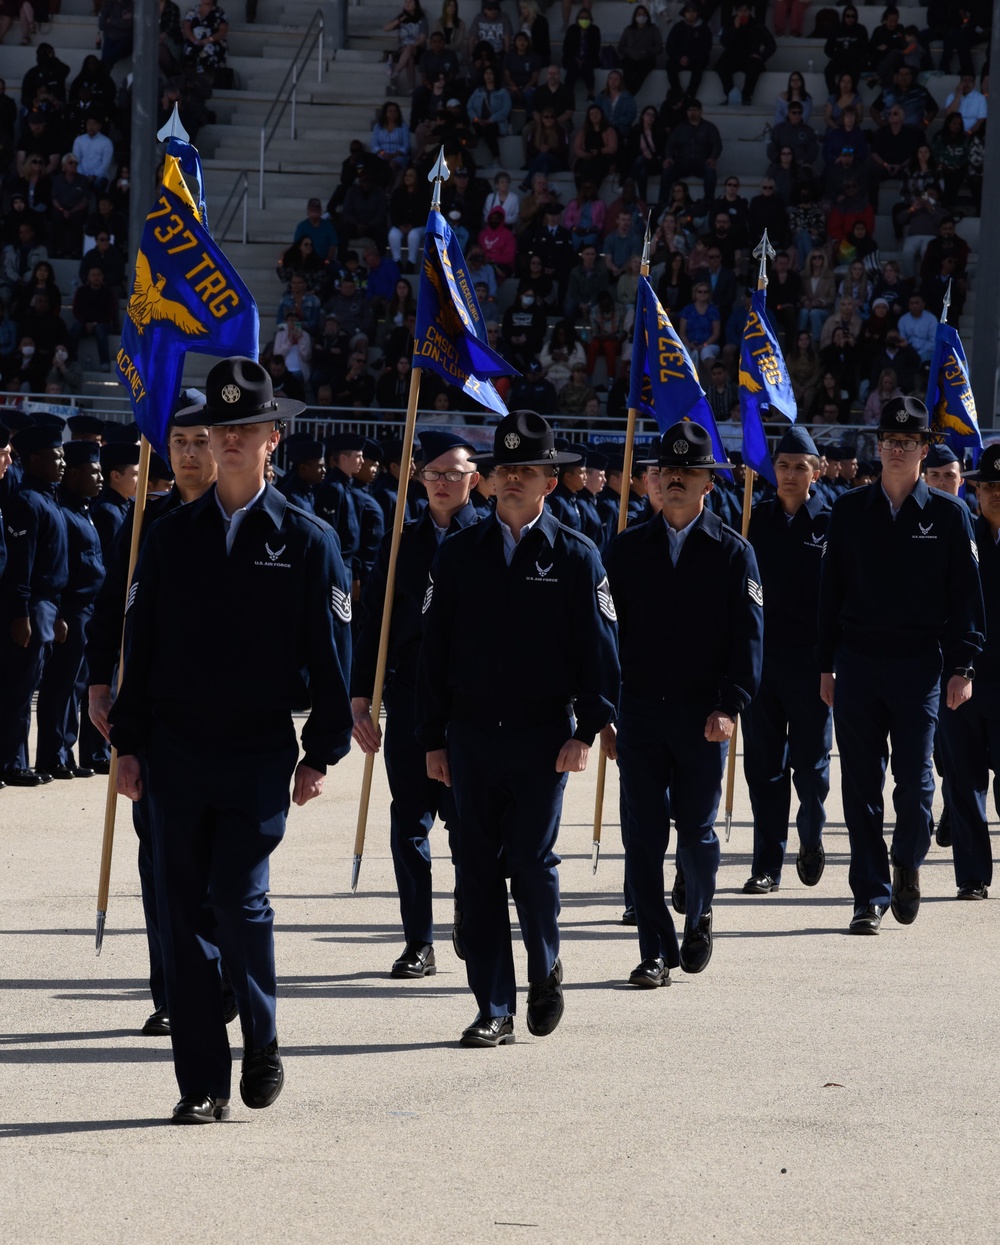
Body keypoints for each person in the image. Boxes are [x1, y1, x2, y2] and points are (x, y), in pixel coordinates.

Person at [110, 357, 353, 1124]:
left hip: (255, 749)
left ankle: (263, 1035)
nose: (232, 440)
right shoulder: (172, 535)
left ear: (273, 438)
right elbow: (139, 643)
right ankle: (202, 1083)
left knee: (240, 900)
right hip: (176, 749)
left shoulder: (308, 540)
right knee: (180, 913)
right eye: (221, 429)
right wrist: (125, 740)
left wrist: (321, 750)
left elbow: (331, 655)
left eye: (247, 428)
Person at [417, 410, 619, 1046]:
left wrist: (586, 731)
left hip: (540, 737)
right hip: (471, 736)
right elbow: (433, 651)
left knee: (530, 863)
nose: (510, 480)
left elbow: (599, 650)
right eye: (503, 470)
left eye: (525, 471)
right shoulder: (459, 555)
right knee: (475, 868)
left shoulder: (576, 555)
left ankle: (545, 964)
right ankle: (493, 1007)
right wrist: (431, 738)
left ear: (549, 484)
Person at [817, 397, 985, 936]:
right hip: (858, 663)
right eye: (888, 441)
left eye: (907, 442)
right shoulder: (848, 511)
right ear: (879, 445)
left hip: (920, 666)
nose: (895, 450)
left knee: (915, 785)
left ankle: (907, 860)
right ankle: (869, 893)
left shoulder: (949, 514)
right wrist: (826, 665)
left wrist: (964, 666)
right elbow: (829, 595)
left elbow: (966, 599)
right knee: (860, 787)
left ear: (924, 449)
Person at [602, 422, 762, 987]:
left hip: (702, 715)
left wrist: (730, 704)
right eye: (665, 471)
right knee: (642, 837)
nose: (673, 479)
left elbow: (748, 637)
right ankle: (653, 950)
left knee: (697, 831)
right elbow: (602, 638)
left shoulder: (732, 552)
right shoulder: (623, 550)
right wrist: (603, 712)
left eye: (686, 472)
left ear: (707, 486)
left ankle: (699, 912)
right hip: (640, 712)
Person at [87, 414, 218, 1037]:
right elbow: (111, 606)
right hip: (158, 718)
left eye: (201, 441)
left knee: (225, 870)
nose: (189, 454)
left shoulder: (257, 522)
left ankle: (217, 979)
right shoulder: (147, 521)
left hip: (235, 726)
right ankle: (171, 989)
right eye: (179, 442)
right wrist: (96, 683)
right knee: (161, 862)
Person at [353, 431, 481, 977]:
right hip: (409, 698)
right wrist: (362, 696)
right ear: (418, 478)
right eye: (433, 473)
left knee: (469, 827)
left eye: (454, 473)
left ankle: (471, 915)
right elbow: (375, 622)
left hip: (470, 703)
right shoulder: (401, 541)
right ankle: (418, 941)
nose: (443, 483)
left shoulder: (491, 539)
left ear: (475, 479)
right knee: (409, 821)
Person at [741, 427, 832, 894]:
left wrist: (833, 663)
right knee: (763, 767)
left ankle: (812, 834)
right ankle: (766, 865)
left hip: (815, 663)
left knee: (812, 766)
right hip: (762, 662)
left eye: (801, 466)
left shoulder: (833, 524)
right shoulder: (751, 523)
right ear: (771, 470)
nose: (791, 474)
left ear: (816, 471)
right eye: (783, 465)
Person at [937, 445, 1000, 900]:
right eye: (989, 486)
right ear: (975, 490)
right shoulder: (963, 535)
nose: (996, 494)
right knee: (963, 780)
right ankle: (973, 875)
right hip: (964, 676)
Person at [0, 423, 68, 786]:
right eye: (54, 456)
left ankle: (17, 759)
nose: (61, 461)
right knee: (17, 688)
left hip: (48, 605)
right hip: (31, 605)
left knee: (28, 687)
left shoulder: (46, 497)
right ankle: (10, 763)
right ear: (35, 459)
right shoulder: (26, 501)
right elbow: (20, 563)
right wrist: (21, 612)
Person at [34, 440, 105, 780]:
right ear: (75, 475)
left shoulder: (84, 510)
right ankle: (51, 754)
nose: (100, 478)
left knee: (77, 686)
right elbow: (60, 568)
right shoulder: (63, 511)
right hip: (72, 609)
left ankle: (66, 751)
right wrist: (60, 613)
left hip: (89, 609)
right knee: (60, 687)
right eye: (94, 472)